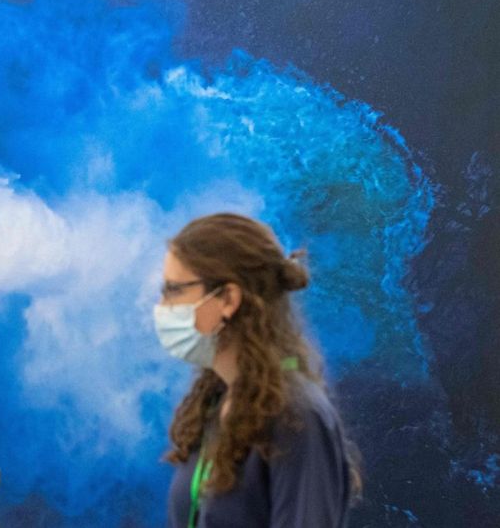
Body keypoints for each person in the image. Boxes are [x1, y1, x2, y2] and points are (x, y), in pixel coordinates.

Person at [154, 212, 361, 528]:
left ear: (228, 298)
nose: (162, 307)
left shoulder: (297, 416)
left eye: (174, 290)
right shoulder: (214, 402)